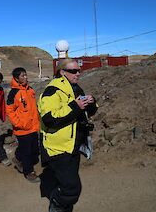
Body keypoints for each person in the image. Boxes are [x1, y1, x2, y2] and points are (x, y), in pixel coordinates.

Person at [38, 59, 98, 212]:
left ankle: (63, 207)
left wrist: (91, 103)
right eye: (73, 71)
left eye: (79, 70)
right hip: (58, 148)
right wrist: (75, 106)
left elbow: (85, 112)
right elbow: (50, 119)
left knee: (67, 183)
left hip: (72, 145)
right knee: (72, 189)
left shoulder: (76, 88)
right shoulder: (52, 90)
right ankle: (56, 204)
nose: (78, 73)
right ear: (62, 72)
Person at [6, 67, 40, 183]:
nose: (25, 77)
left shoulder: (30, 90)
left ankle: (18, 158)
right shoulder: (14, 93)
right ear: (16, 78)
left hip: (33, 126)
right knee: (27, 151)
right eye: (22, 76)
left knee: (34, 148)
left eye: (26, 75)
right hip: (22, 128)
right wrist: (18, 123)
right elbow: (9, 110)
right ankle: (29, 172)